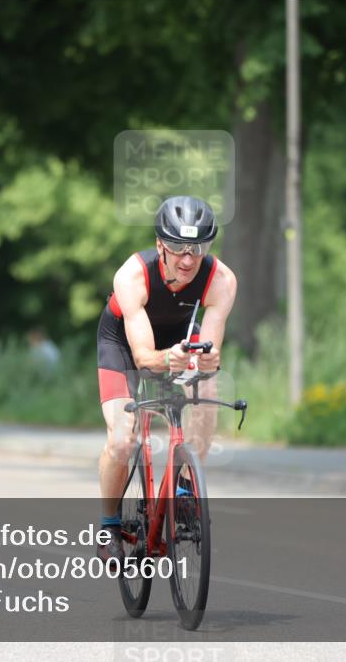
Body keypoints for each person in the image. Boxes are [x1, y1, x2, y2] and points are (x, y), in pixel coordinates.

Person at [95, 196, 237, 565]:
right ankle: (109, 526)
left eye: (198, 248)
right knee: (123, 440)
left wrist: (206, 359)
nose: (188, 259)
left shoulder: (221, 280)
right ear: (160, 244)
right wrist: (167, 359)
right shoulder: (132, 276)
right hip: (123, 344)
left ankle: (185, 489)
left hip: (179, 341)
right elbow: (143, 358)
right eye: (177, 247)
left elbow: (208, 352)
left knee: (207, 385)